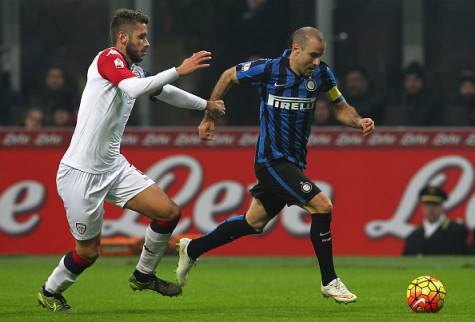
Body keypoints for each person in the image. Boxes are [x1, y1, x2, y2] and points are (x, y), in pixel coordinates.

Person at [37, 8, 225, 313]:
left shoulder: (135, 71)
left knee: (168, 213)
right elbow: (134, 89)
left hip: (113, 167)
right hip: (80, 174)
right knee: (87, 253)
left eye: (147, 36)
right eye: (141, 36)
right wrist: (180, 68)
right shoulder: (108, 58)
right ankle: (50, 291)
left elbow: (164, 92)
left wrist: (206, 105)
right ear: (122, 38)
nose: (147, 43)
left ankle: (143, 274)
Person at [176, 27, 374, 303]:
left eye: (321, 56)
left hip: (294, 163)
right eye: (313, 55)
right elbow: (229, 75)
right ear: (296, 49)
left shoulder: (321, 74)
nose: (317, 61)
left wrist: (358, 120)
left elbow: (339, 106)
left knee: (253, 222)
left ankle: (193, 248)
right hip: (270, 162)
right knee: (322, 206)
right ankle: (330, 281)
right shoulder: (269, 70)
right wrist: (209, 116)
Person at [403, 186, 469, 255]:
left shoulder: (457, 232)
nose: (430, 209)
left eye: (435, 204)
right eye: (427, 204)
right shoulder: (413, 238)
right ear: (422, 207)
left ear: (442, 206)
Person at [383, 62, 444, 126]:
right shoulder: (396, 100)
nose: (412, 84)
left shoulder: (433, 102)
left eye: (415, 80)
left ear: (422, 81)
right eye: (408, 80)